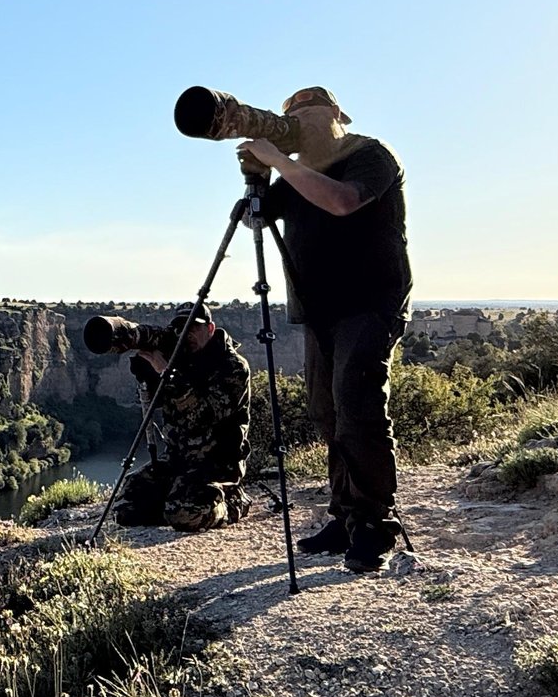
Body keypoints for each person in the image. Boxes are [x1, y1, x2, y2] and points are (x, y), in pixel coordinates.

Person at [237, 85, 411, 572]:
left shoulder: (370, 155)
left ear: (337, 115)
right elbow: (253, 220)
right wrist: (257, 177)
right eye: (297, 117)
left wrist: (281, 161)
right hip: (319, 311)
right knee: (327, 412)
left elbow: (341, 201)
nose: (306, 124)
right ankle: (345, 517)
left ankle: (376, 524)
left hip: (371, 303)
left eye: (313, 114)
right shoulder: (293, 176)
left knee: (358, 408)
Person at [112, 312, 251, 531]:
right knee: (126, 508)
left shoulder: (232, 367)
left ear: (211, 328)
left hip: (216, 463)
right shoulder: (182, 360)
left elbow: (204, 415)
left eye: (195, 328)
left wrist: (167, 374)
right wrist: (150, 374)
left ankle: (233, 502)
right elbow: (157, 404)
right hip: (178, 460)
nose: (189, 334)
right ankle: (177, 502)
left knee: (185, 515)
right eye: (183, 329)